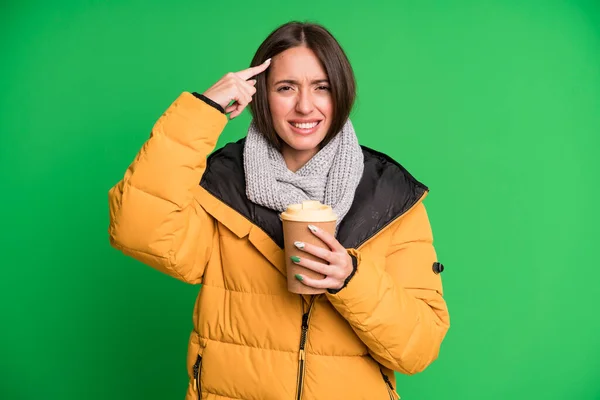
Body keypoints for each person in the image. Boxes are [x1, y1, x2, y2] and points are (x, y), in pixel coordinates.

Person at [108, 21, 450, 400]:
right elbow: (137, 229)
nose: (305, 106)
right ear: (261, 95)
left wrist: (351, 280)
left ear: (342, 94)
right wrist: (203, 112)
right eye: (286, 88)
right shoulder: (220, 183)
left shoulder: (390, 196)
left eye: (322, 88)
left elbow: (418, 349)